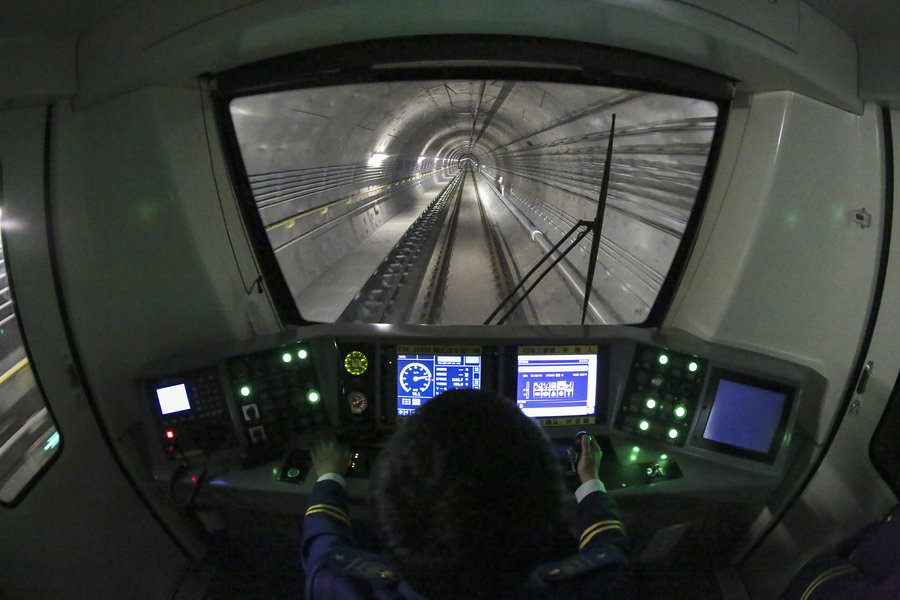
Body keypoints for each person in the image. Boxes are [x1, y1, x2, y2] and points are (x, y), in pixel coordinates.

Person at [302, 389, 635, 599]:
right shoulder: (604, 585)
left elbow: (322, 540)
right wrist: (589, 480)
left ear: (383, 513)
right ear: (548, 524)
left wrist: (330, 473)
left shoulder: (336, 584)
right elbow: (608, 547)